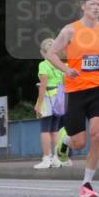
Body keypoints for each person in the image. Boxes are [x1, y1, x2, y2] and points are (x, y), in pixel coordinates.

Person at [48, 0, 99, 197]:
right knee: (79, 143)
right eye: (92, 4)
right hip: (76, 90)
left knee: (97, 135)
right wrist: (65, 70)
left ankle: (87, 184)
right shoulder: (70, 30)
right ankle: (65, 141)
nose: (96, 7)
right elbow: (51, 53)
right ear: (83, 6)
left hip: (97, 89)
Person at [34, 37, 66, 169]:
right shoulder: (59, 64)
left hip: (47, 98)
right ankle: (56, 159)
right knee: (55, 130)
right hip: (59, 99)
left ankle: (46, 158)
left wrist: (38, 104)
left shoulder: (43, 64)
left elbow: (43, 85)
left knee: (45, 130)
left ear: (43, 52)